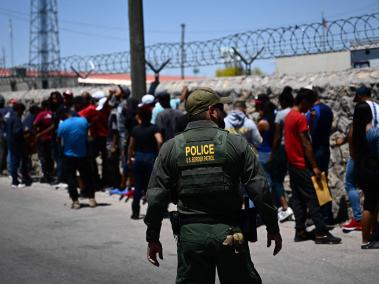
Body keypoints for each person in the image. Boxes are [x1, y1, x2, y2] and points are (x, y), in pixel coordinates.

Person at [144, 87, 282, 283]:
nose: (224, 113)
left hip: (190, 235)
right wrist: (272, 227)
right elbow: (260, 189)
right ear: (212, 111)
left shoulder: (171, 148)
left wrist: (153, 237)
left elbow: (157, 197)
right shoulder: (236, 144)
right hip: (230, 233)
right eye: (221, 108)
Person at [284, 88, 341, 244]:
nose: (311, 107)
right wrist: (315, 166)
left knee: (298, 199)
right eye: (309, 103)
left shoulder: (289, 116)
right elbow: (306, 143)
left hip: (292, 164)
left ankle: (300, 231)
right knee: (313, 198)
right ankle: (321, 232)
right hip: (302, 164)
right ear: (304, 101)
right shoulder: (300, 118)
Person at [351, 101, 379, 249]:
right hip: (373, 171)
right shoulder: (375, 132)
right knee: (370, 205)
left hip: (361, 170)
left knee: (371, 203)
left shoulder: (354, 132)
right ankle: (366, 240)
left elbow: (353, 154)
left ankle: (372, 235)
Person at [57, 108, 97, 209]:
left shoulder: (62, 125)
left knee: (71, 179)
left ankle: (75, 201)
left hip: (68, 155)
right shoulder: (83, 121)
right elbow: (88, 133)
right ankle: (91, 199)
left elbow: (58, 138)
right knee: (87, 177)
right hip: (83, 155)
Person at [128, 105, 162, 219]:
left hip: (138, 159)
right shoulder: (154, 128)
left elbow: (131, 146)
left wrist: (129, 159)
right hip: (150, 159)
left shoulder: (135, 129)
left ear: (140, 117)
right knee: (151, 188)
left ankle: (135, 212)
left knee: (137, 187)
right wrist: (160, 154)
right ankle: (152, 212)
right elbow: (160, 141)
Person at [306, 89, 334, 226]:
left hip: (317, 149)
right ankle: (326, 214)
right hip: (325, 147)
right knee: (323, 181)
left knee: (319, 183)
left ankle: (324, 216)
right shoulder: (327, 109)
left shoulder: (314, 111)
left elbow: (313, 132)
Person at [269, 86, 294, 222]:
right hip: (295, 149)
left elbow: (277, 137)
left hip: (282, 149)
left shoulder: (280, 114)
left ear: (283, 101)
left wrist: (272, 154)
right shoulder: (296, 112)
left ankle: (285, 208)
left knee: (276, 179)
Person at [6, 102, 29, 188]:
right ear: (19, 110)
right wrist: (24, 130)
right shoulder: (16, 119)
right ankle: (15, 182)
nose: (22, 113)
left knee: (13, 161)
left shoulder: (10, 118)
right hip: (16, 143)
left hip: (10, 142)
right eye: (22, 111)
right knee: (15, 162)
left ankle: (14, 180)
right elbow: (17, 132)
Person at [33, 100, 54, 183]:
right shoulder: (52, 114)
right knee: (50, 157)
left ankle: (46, 175)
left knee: (43, 157)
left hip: (42, 139)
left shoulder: (41, 114)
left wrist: (37, 134)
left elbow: (34, 124)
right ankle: (50, 174)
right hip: (51, 138)